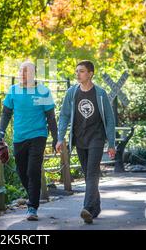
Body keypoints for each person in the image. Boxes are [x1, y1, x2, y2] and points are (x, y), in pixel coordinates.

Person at [0, 61, 58, 221]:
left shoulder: (43, 91)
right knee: (22, 171)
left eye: (26, 72)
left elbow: (51, 117)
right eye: (21, 71)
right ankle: (33, 193)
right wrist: (0, 133)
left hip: (38, 135)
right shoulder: (13, 91)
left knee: (33, 170)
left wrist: (55, 138)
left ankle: (32, 207)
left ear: (33, 74)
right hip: (19, 137)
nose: (23, 74)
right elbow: (6, 114)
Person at [56, 60, 116, 224]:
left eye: (81, 71)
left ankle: (87, 208)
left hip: (96, 138)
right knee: (89, 174)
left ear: (90, 74)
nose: (77, 74)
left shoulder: (101, 94)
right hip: (79, 139)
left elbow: (110, 120)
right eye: (76, 71)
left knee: (91, 172)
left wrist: (111, 143)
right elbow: (64, 116)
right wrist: (60, 138)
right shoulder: (72, 93)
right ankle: (95, 208)